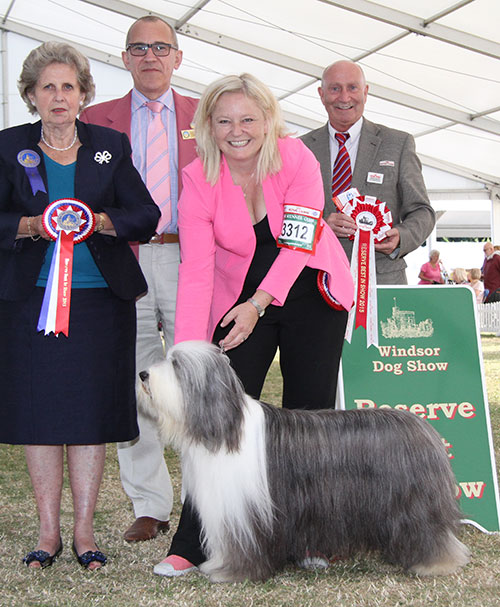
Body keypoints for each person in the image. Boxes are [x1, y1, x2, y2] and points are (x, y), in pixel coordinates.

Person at [153, 73, 354, 577]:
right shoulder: (198, 177)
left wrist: (260, 303)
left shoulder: (296, 158)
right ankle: (194, 540)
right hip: (237, 293)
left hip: (308, 284)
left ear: (268, 120)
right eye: (224, 121)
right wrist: (185, 357)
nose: (236, 130)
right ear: (207, 126)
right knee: (217, 418)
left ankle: (309, 537)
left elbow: (300, 239)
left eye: (248, 118)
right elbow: (196, 269)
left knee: (309, 419)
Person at [0, 42, 160, 570]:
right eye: (47, 86)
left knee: (90, 419)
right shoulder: (7, 148)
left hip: (99, 305)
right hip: (29, 306)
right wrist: (29, 225)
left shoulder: (109, 146)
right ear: (30, 95)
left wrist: (97, 220)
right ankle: (47, 536)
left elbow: (146, 214)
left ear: (85, 94)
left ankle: (86, 534)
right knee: (39, 417)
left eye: (69, 86)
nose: (59, 96)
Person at [80, 16, 198, 542]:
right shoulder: (95, 119)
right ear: (124, 59)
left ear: (177, 57)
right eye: (138, 48)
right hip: (119, 258)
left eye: (160, 47)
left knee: (197, 380)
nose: (149, 56)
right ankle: (149, 504)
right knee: (136, 381)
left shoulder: (209, 114)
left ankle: (204, 498)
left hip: (188, 259)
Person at [301, 60, 435, 284]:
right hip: (315, 280)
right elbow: (284, 215)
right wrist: (320, 225)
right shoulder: (301, 148)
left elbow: (422, 211)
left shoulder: (398, 143)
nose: (344, 97)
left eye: (352, 87)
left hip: (382, 280)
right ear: (321, 94)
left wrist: (402, 236)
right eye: (335, 88)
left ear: (365, 92)